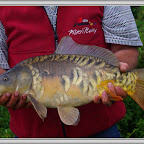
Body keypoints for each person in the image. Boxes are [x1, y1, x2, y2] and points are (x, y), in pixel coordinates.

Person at [0, 6, 142, 138]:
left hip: (102, 132)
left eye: (5, 80)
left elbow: (126, 46)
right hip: (30, 135)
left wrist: (118, 72)